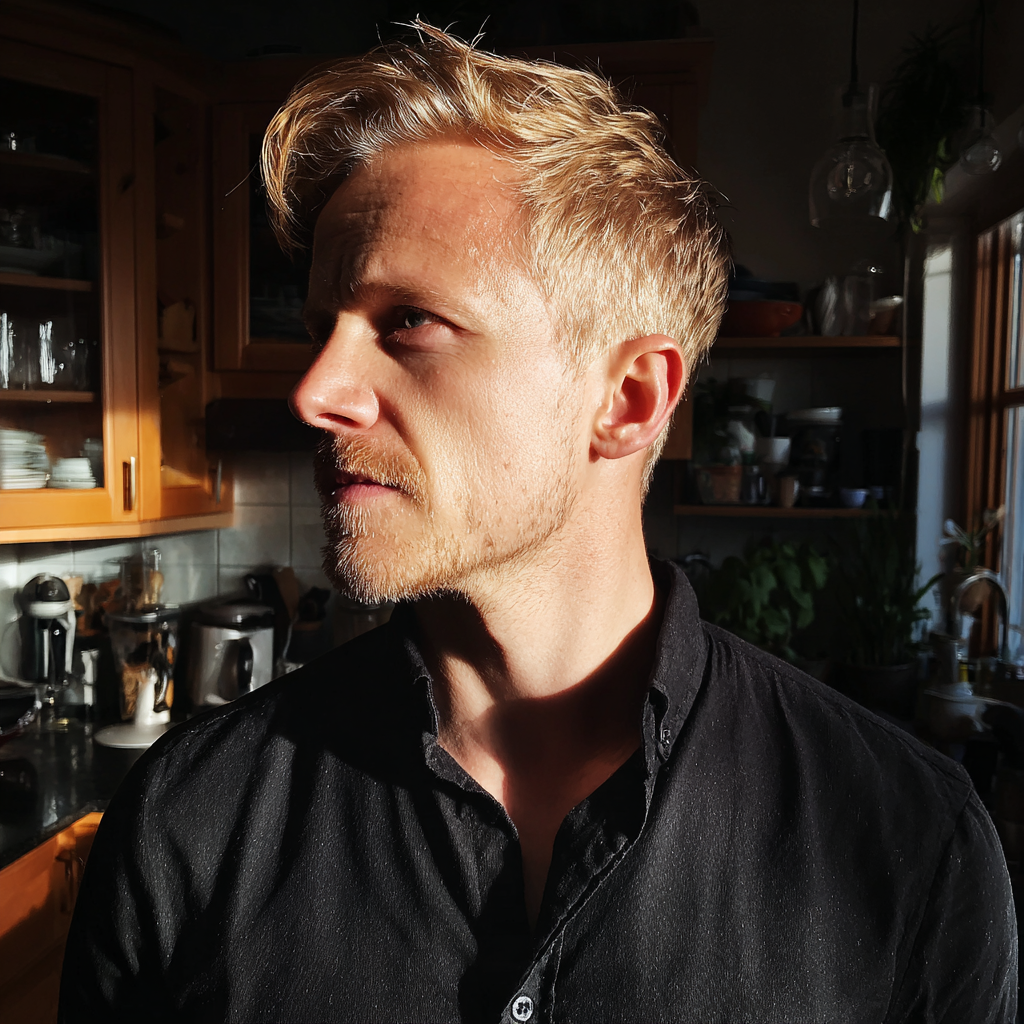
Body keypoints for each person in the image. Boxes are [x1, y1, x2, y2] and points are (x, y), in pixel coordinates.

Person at [61, 24, 1016, 1024]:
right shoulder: (188, 826)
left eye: (407, 322)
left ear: (629, 400)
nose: (314, 391)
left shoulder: (908, 846)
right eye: (320, 331)